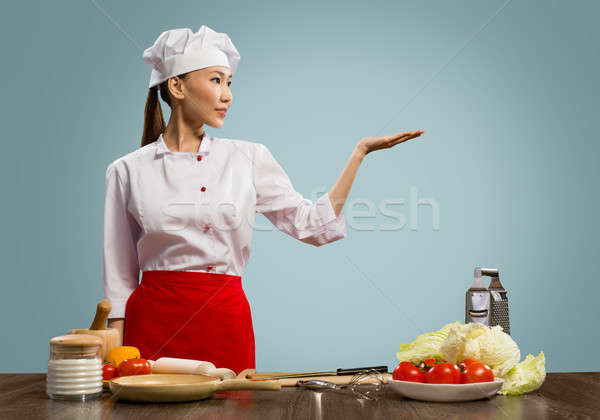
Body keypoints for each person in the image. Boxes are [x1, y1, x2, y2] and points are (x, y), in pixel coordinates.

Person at [103, 25, 424, 374]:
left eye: (229, 83)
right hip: (151, 326)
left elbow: (312, 227)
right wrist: (115, 358)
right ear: (176, 86)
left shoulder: (249, 158)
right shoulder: (126, 170)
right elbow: (119, 278)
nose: (227, 95)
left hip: (223, 322)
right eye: (215, 80)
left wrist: (359, 154)